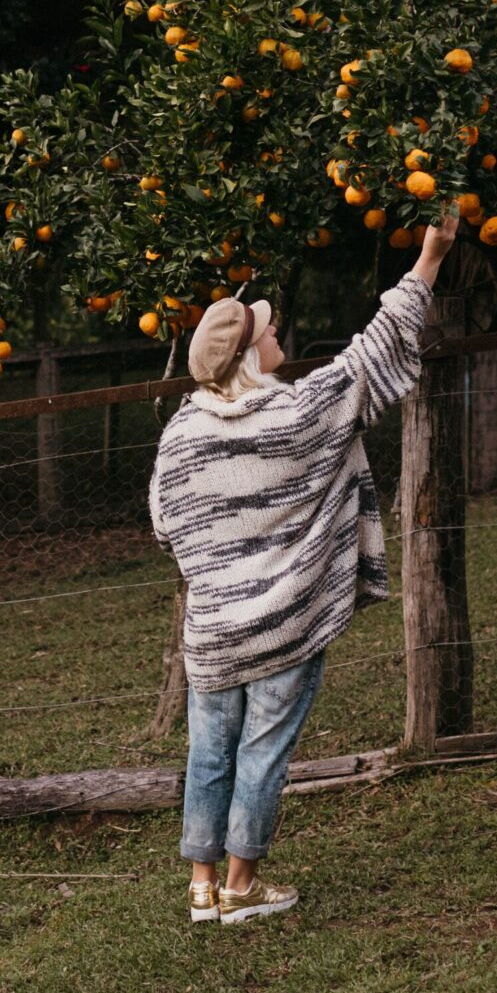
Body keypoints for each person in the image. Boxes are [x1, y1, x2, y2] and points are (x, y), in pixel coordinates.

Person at [149, 215, 456, 924]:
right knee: (262, 753)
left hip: (214, 633)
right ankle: (242, 884)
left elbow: (168, 530)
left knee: (209, 753)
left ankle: (200, 887)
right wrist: (430, 259)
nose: (276, 332)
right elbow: (373, 351)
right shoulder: (297, 413)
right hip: (284, 626)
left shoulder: (180, 435)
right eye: (266, 329)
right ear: (250, 354)